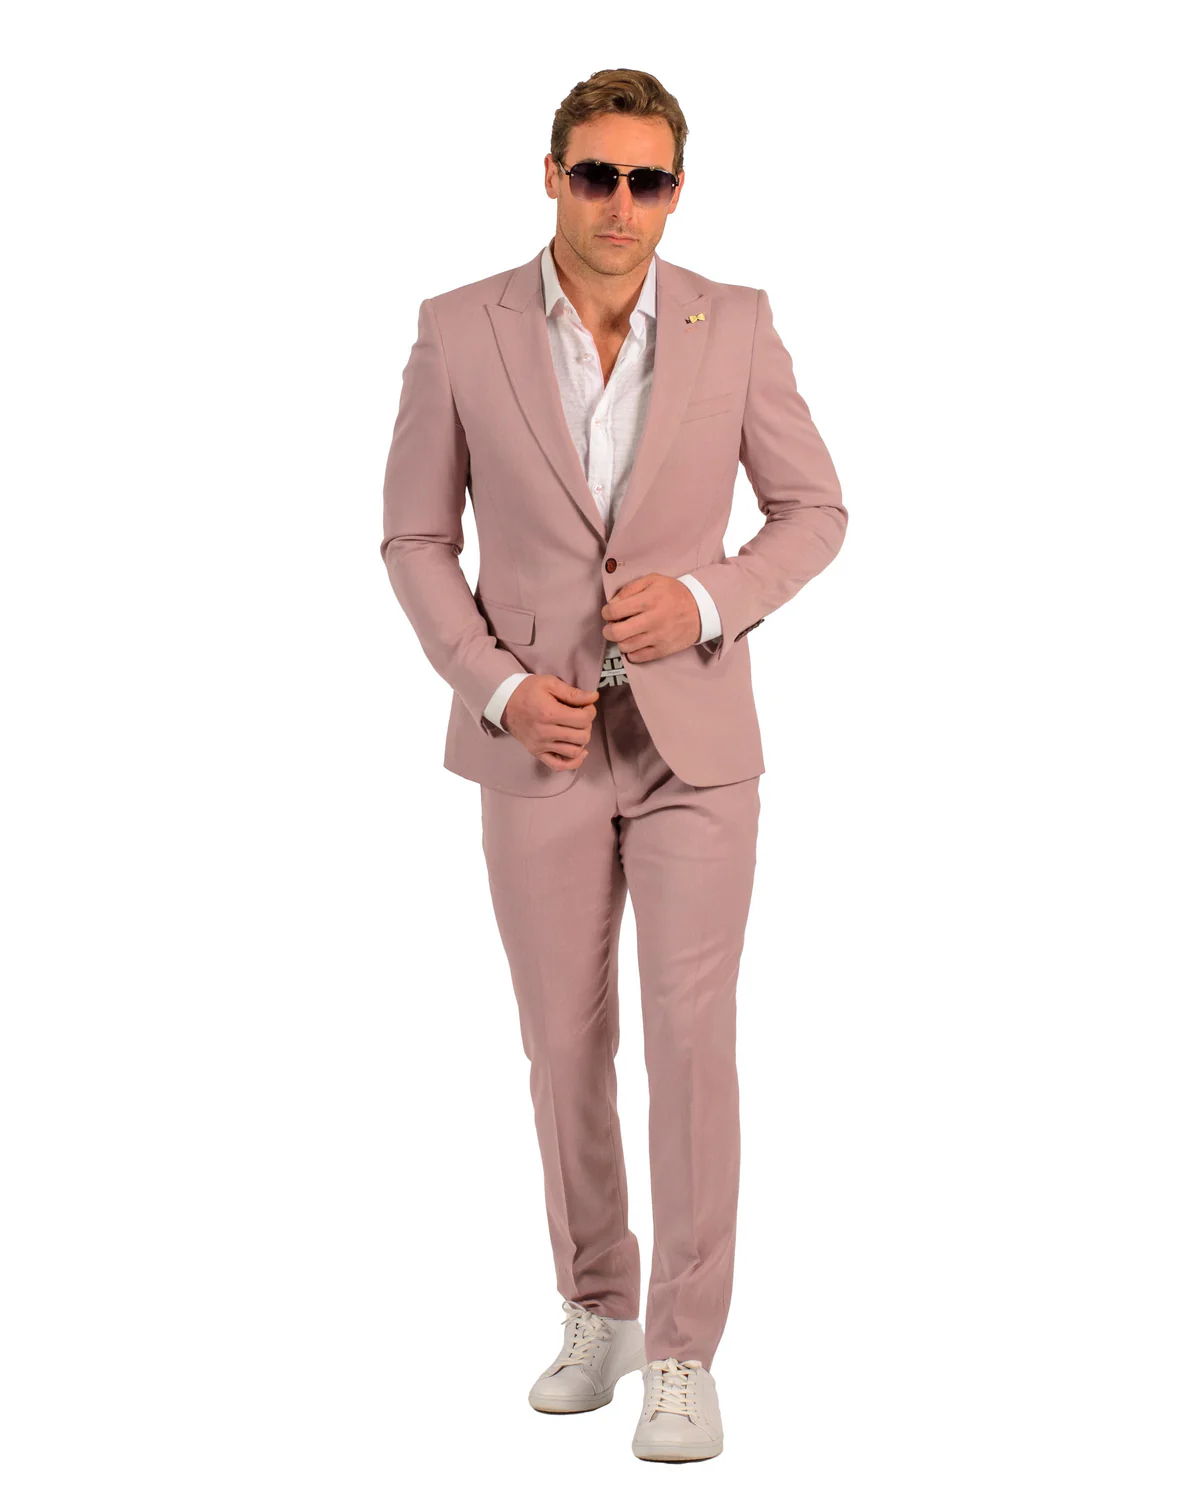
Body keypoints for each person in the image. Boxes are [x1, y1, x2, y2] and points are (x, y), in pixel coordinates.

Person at [380, 67, 847, 1463]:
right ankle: (599, 1308)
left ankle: (684, 1353)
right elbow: (415, 539)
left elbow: (814, 509)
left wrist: (705, 600)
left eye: (649, 180)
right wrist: (499, 688)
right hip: (541, 745)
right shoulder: (457, 328)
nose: (621, 204)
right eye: (597, 175)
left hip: (697, 744)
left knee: (693, 1042)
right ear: (552, 175)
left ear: (676, 191)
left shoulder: (734, 321)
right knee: (564, 1045)